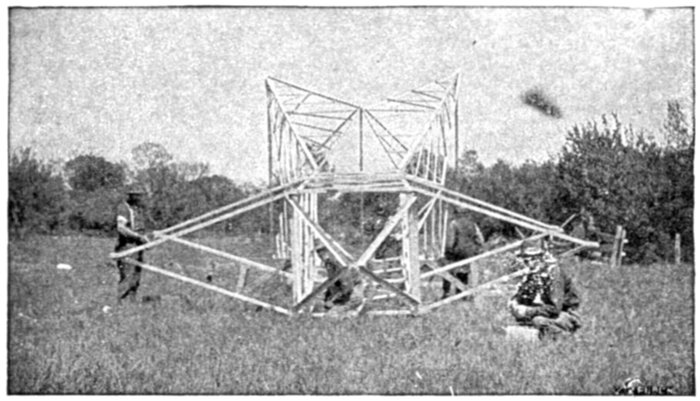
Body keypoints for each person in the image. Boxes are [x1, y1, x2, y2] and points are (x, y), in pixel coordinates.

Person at [508, 240, 582, 339]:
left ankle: (565, 337)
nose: (530, 264)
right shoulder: (533, 273)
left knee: (538, 321)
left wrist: (527, 311)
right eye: (526, 260)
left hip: (565, 314)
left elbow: (555, 309)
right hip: (546, 313)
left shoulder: (554, 274)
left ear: (543, 257)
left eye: (534, 259)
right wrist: (515, 303)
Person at [115, 186, 150, 303]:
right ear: (131, 196)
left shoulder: (137, 209)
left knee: (136, 277)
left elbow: (139, 228)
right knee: (128, 276)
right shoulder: (124, 208)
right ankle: (121, 303)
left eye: (140, 195)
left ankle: (131, 303)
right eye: (137, 195)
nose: (140, 198)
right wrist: (138, 237)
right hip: (127, 247)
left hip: (138, 247)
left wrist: (146, 238)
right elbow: (121, 228)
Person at [440, 211, 484, 298]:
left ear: (456, 214)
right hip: (468, 253)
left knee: (447, 269)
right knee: (463, 271)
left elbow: (451, 241)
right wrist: (477, 249)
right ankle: (461, 293)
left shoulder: (454, 224)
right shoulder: (473, 224)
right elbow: (480, 239)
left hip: (457, 251)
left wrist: (448, 251)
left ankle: (446, 292)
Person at [314, 242, 359, 309]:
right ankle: (324, 249)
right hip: (343, 280)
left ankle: (321, 250)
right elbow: (345, 291)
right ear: (331, 305)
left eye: (327, 303)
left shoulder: (329, 297)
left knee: (329, 265)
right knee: (334, 265)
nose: (328, 302)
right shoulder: (341, 300)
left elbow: (328, 289)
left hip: (336, 280)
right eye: (328, 304)